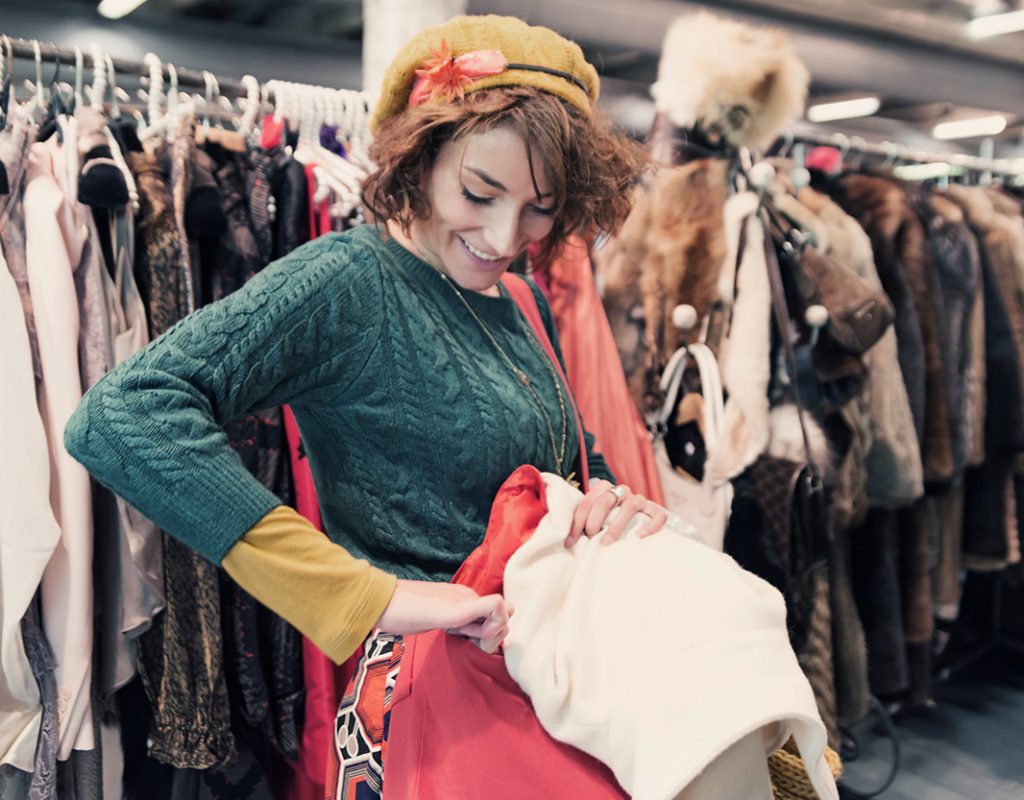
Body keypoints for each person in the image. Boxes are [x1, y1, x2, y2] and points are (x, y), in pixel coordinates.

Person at [64, 12, 654, 793]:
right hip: (434, 704)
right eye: (480, 192)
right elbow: (122, 415)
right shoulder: (349, 282)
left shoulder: (518, 296)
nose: (507, 234)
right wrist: (361, 594)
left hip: (547, 676)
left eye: (540, 206)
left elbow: (561, 448)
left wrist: (603, 497)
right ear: (421, 155)